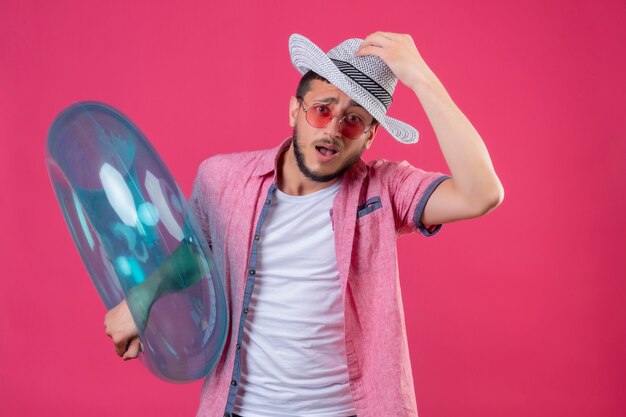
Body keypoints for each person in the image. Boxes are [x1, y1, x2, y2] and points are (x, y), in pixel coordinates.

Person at [104, 32, 504, 417]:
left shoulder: (385, 188)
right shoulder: (221, 179)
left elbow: (480, 193)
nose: (331, 128)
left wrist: (421, 77)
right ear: (296, 110)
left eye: (352, 120)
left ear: (368, 137)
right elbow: (199, 254)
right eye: (322, 109)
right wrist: (143, 297)